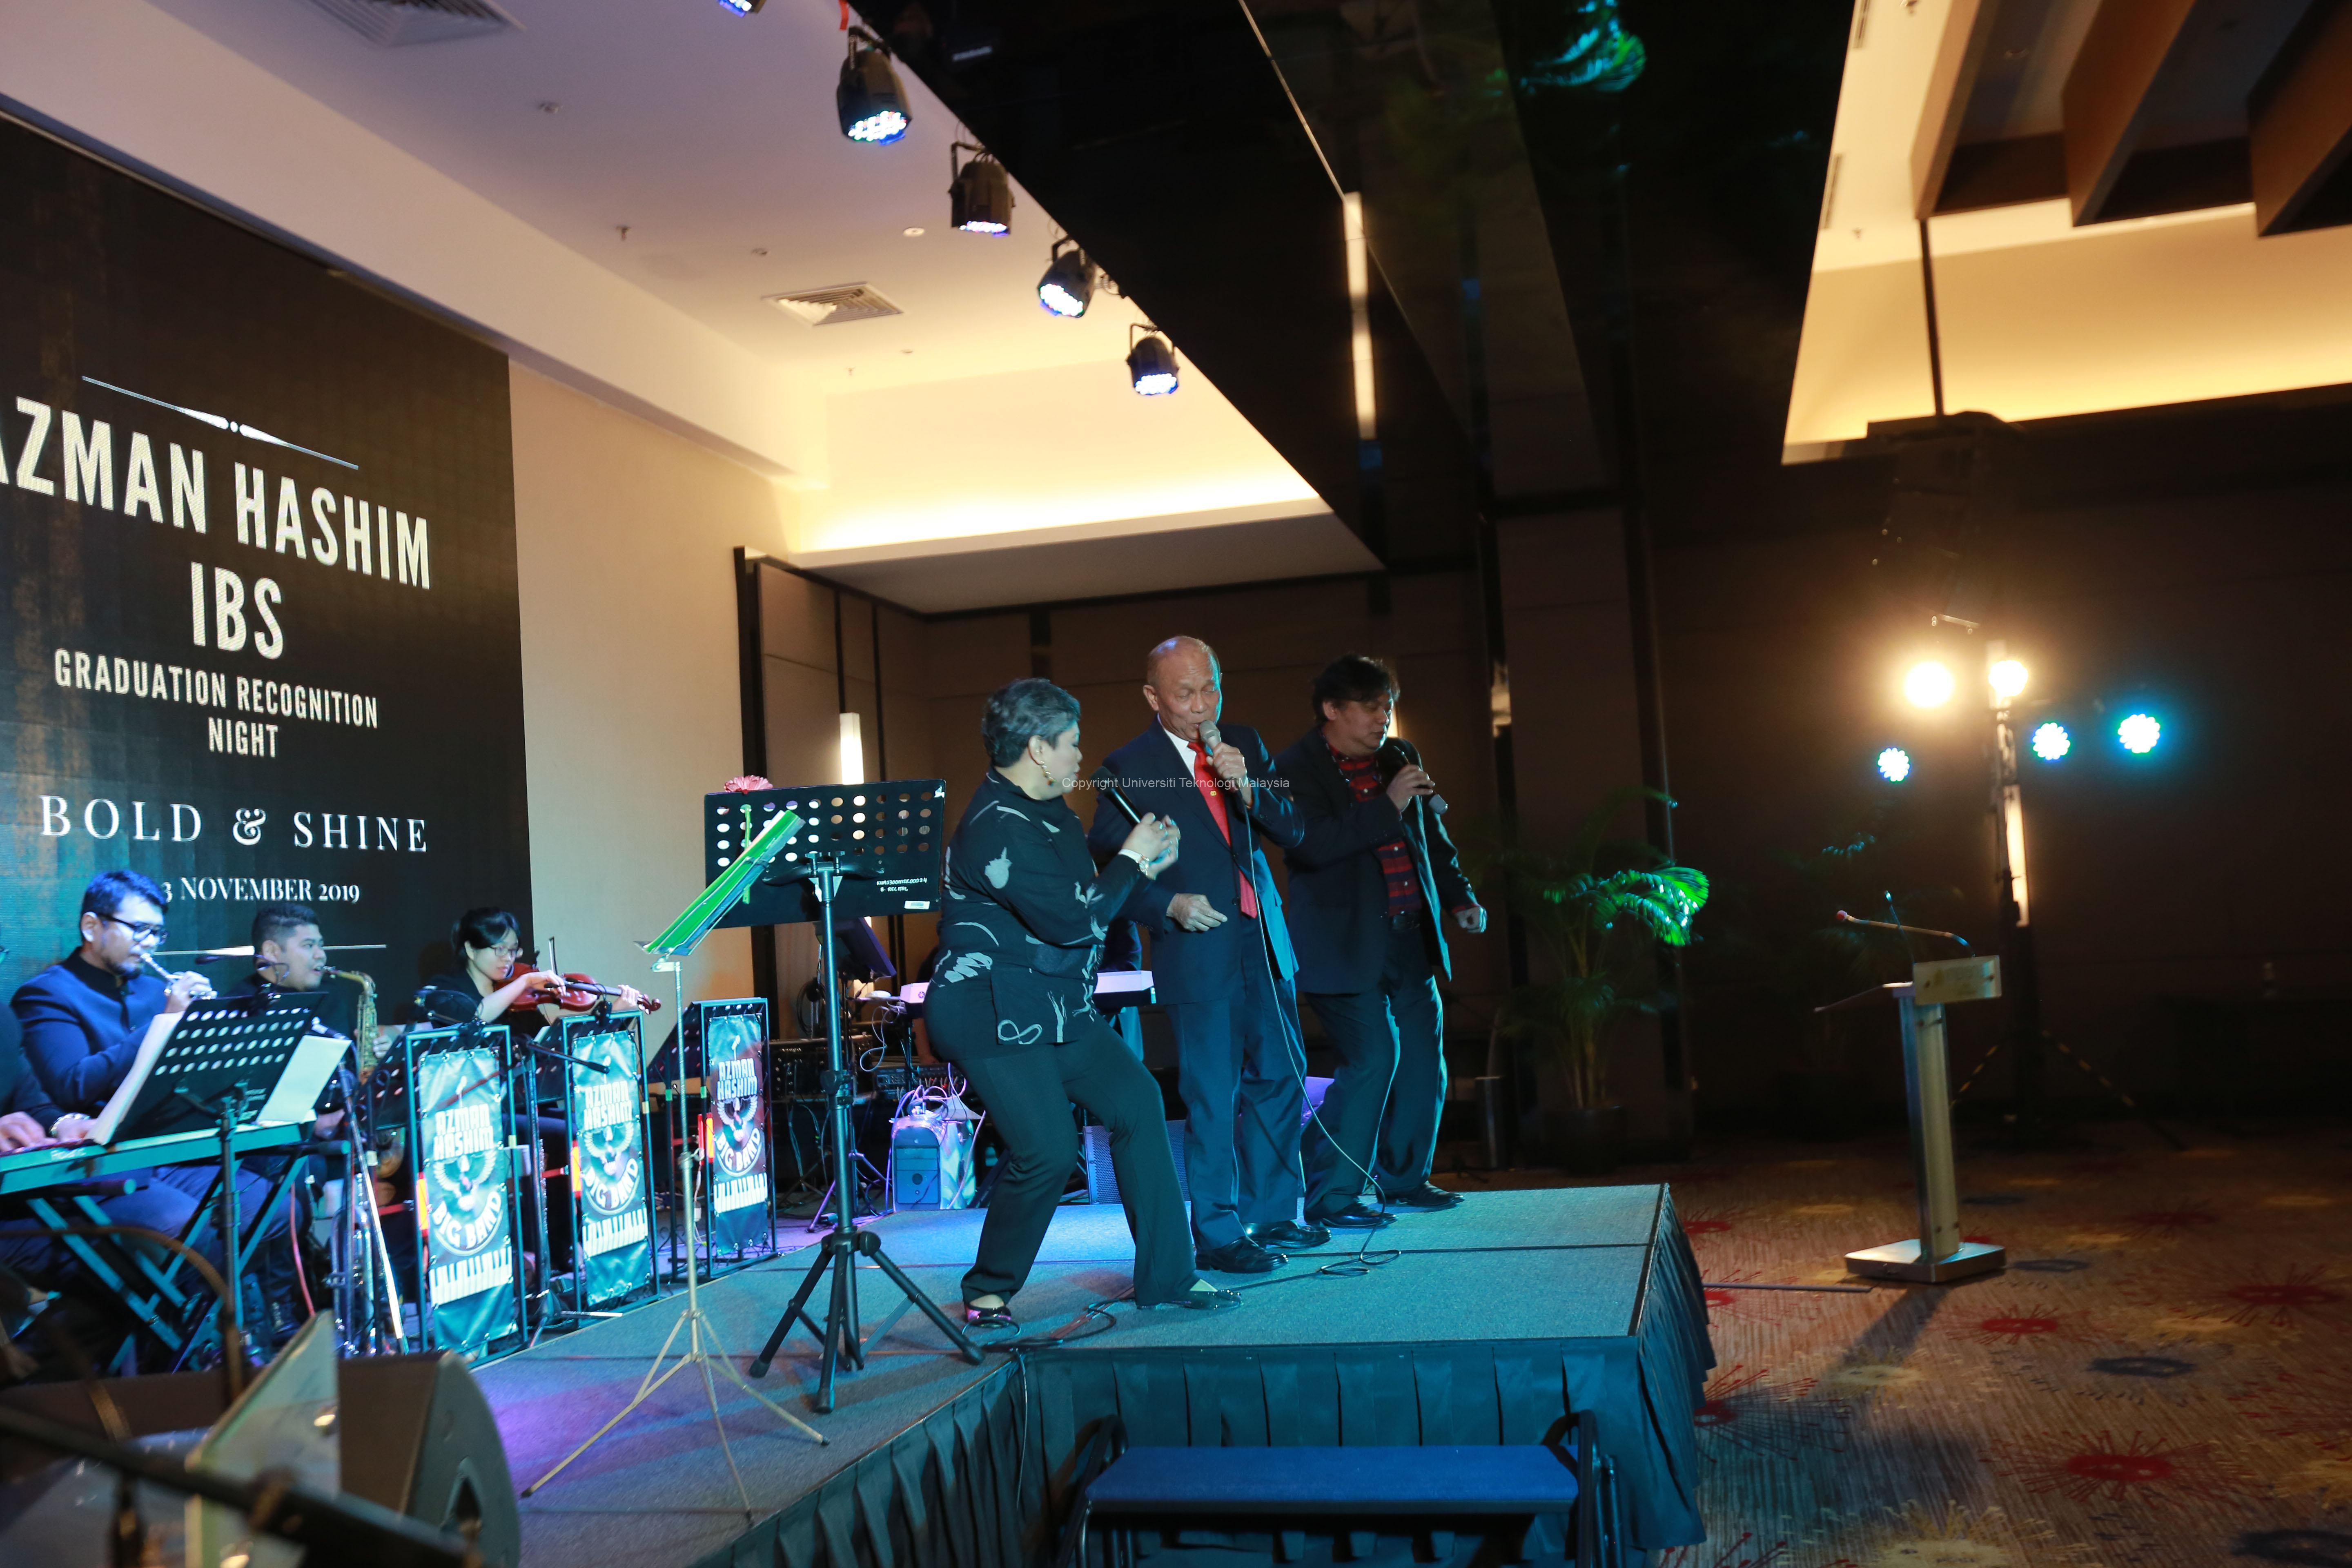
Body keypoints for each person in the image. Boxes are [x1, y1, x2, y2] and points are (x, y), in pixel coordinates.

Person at [928, 677, 1238, 1323]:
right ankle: (987, 1289)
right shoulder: (996, 826)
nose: (1079, 755)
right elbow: (1073, 923)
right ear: (1038, 750)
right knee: (1046, 1148)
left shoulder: (1055, 812)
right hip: (992, 1010)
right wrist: (1131, 860)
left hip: (1053, 1004)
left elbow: (1086, 905)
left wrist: (1142, 866)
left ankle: (1168, 1276)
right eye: (1071, 743)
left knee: (1137, 1101)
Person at [1086, 636, 1323, 1275]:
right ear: (1153, 697)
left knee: (1282, 1075)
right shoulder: (1126, 767)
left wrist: (1250, 787)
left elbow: (1294, 830)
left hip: (1262, 938)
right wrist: (1167, 904)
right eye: (1185, 693)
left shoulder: (1242, 741)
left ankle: (1275, 1213)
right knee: (1214, 1092)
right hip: (1197, 945)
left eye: (1211, 688)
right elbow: (1110, 870)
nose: (1201, 705)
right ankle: (1218, 1232)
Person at [8, 870, 296, 1349]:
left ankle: (219, 1336)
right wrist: (163, 1025)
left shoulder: (150, 991)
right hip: (101, 1161)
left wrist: (207, 1028)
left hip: (162, 1149)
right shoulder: (48, 994)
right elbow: (70, 1086)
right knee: (183, 1225)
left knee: (276, 1206)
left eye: (157, 932)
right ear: (92, 927)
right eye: (139, 929)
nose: (150, 944)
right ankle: (194, 1346)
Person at [1274, 656, 1486, 1227]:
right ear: (1332, 709)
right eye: (1370, 708)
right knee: (1373, 1060)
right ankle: (1333, 1195)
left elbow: (1431, 839)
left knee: (1422, 1061)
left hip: (1410, 937)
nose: (1381, 720)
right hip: (1342, 945)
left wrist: (1460, 898)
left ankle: (1406, 1180)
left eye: (1386, 708)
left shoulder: (1399, 756)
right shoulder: (1293, 769)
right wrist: (1388, 803)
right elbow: (1314, 847)